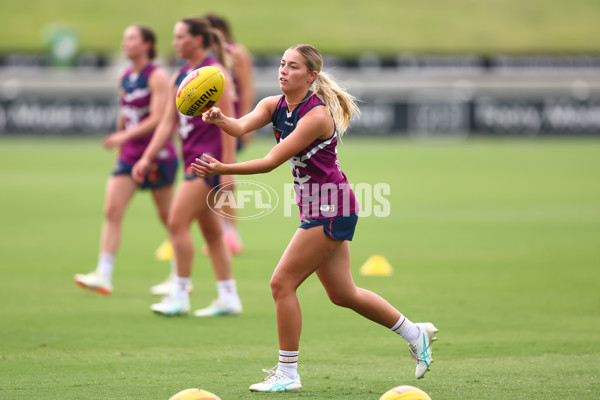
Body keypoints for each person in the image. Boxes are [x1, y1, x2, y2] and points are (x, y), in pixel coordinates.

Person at [191, 44, 438, 392]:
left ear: (310, 76)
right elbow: (241, 126)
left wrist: (223, 169)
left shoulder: (316, 116)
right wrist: (221, 120)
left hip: (332, 207)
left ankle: (288, 373)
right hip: (320, 207)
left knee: (281, 283)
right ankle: (415, 333)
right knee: (343, 293)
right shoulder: (272, 105)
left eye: (292, 67)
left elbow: (271, 160)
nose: (283, 71)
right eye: (281, 64)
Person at [132, 17, 242, 317]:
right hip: (190, 161)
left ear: (198, 40)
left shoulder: (216, 75)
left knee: (176, 223)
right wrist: (147, 157)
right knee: (211, 233)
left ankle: (179, 293)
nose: (176, 42)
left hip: (207, 164)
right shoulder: (180, 76)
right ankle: (228, 296)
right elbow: (168, 122)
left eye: (181, 36)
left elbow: (230, 125)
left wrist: (228, 168)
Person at [74, 25, 178, 295]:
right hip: (130, 155)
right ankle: (103, 274)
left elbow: (157, 117)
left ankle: (178, 275)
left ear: (147, 44)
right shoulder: (125, 76)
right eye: (124, 38)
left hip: (156, 154)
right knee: (112, 210)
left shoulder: (156, 75)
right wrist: (121, 139)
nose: (125, 43)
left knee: (169, 217)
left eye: (131, 38)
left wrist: (123, 137)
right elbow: (125, 111)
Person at [204, 13, 256, 255]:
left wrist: (245, 122)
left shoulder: (236, 52)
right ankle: (219, 233)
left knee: (225, 178)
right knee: (210, 179)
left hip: (231, 123)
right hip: (207, 125)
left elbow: (246, 87)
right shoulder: (207, 58)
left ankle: (231, 233)